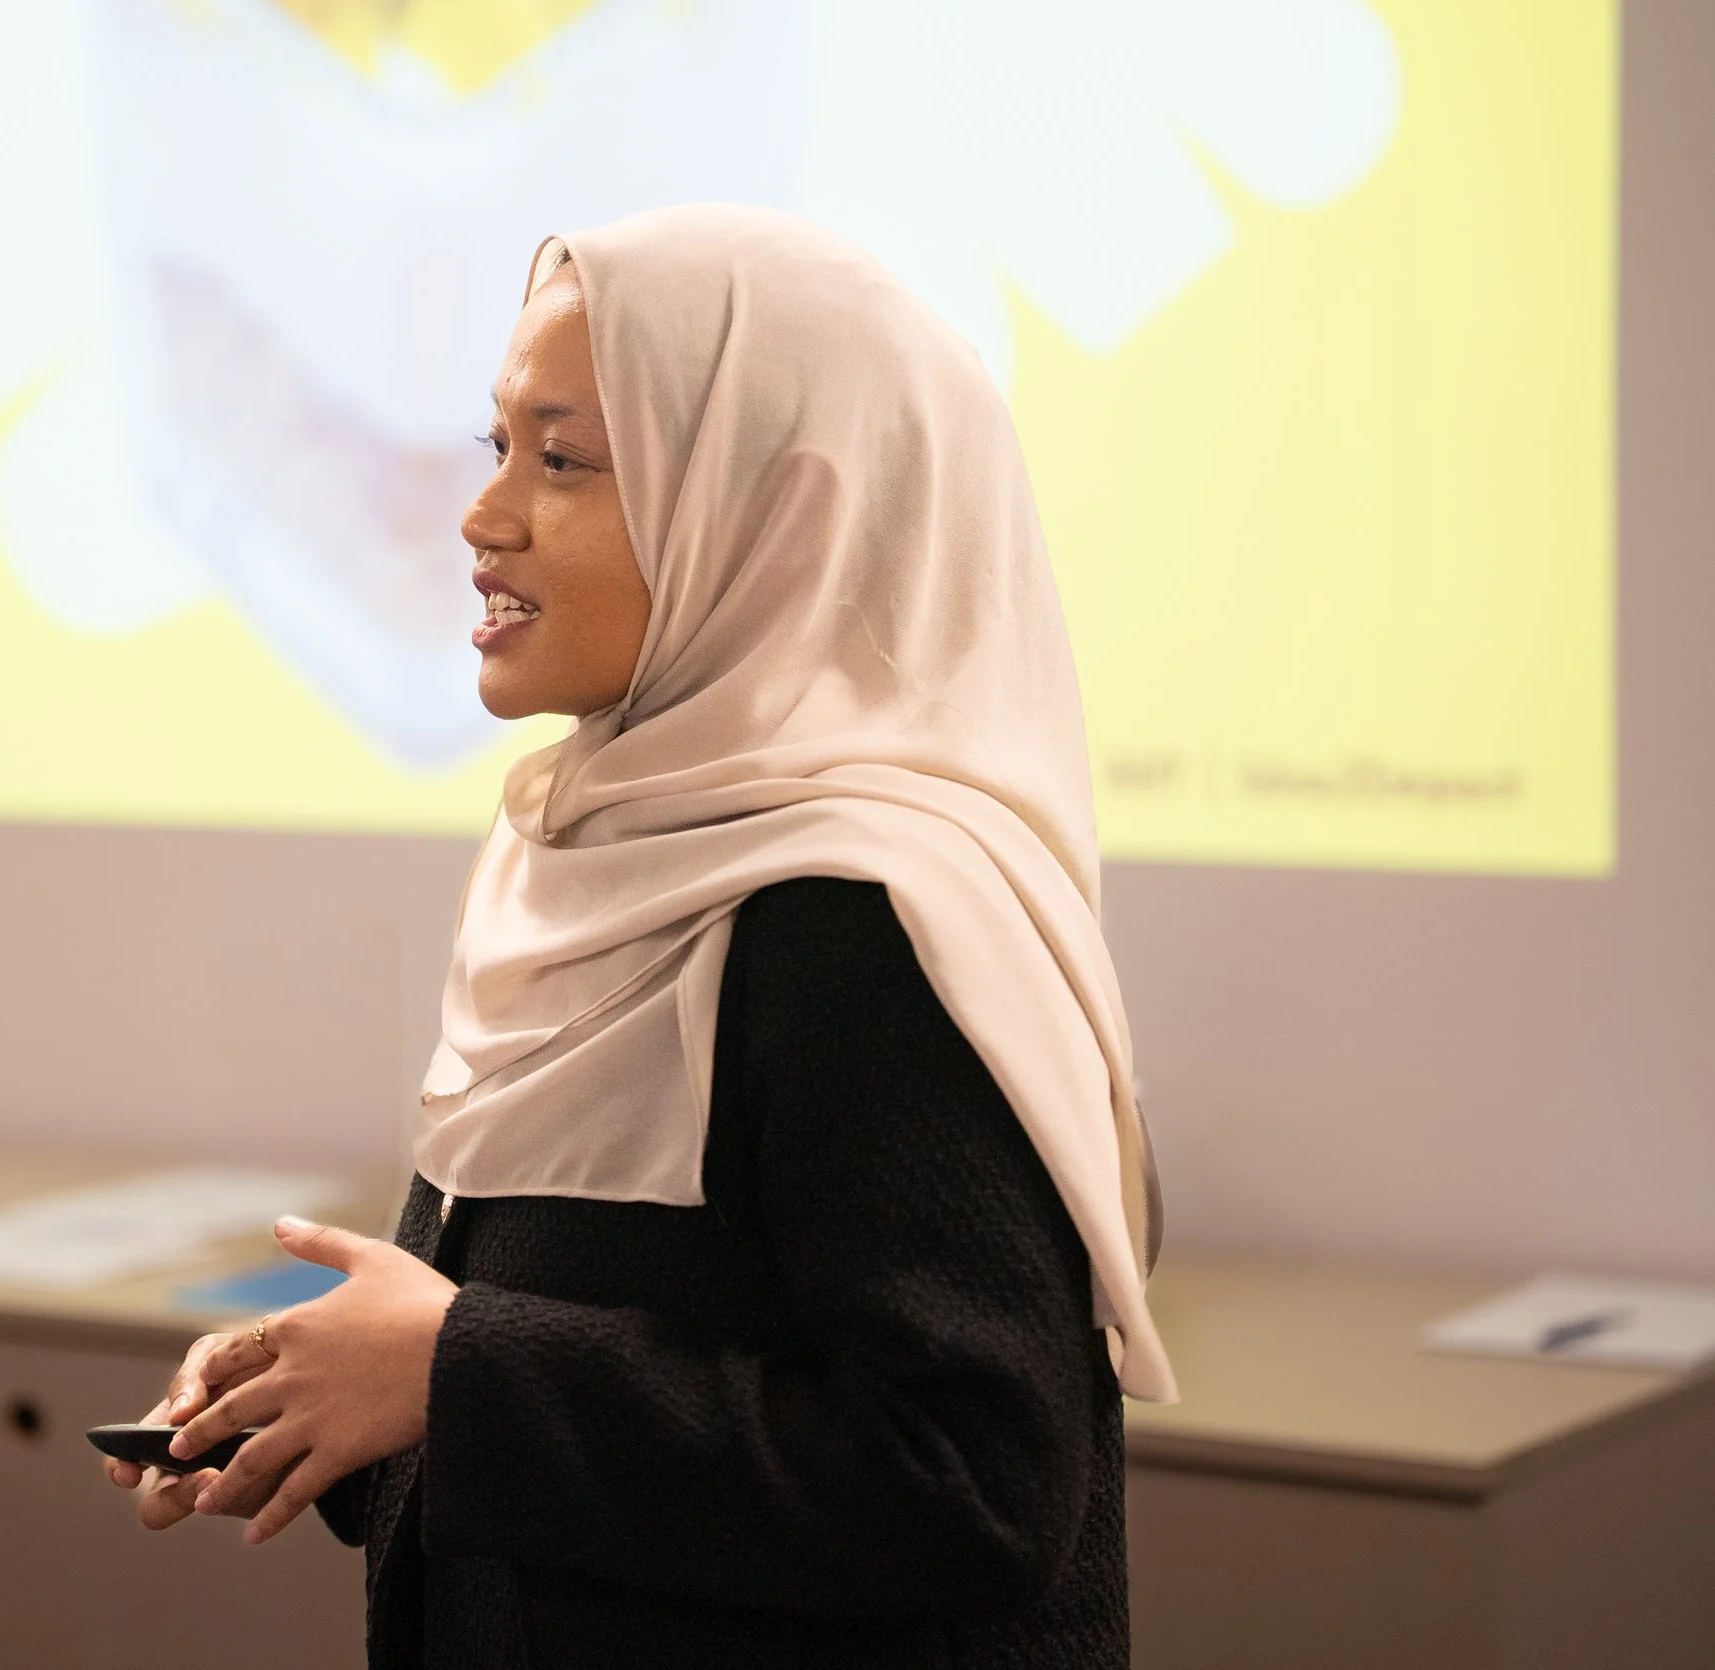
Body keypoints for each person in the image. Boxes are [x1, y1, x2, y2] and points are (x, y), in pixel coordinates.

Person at [102, 203, 1175, 1668]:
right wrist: (322, 1394)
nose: (483, 517)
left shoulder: (859, 921)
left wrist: (452, 1371)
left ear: (766, 500)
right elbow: (553, 1401)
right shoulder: (588, 855)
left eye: (565, 461)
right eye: (498, 449)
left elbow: (971, 1479)